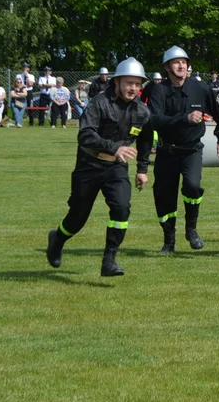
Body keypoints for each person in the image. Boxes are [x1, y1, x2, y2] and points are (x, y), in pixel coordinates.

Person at [45, 58, 153, 276]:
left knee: (122, 208)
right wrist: (114, 148)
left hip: (116, 167)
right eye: (128, 83)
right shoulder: (99, 102)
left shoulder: (142, 111)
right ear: (117, 82)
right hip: (89, 165)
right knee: (77, 217)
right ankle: (58, 238)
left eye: (137, 84)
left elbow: (145, 141)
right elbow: (85, 135)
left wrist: (142, 170)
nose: (132, 88)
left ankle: (109, 260)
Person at [147, 46, 219, 255]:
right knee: (164, 197)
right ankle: (169, 241)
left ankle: (191, 229)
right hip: (166, 152)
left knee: (192, 187)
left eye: (184, 61)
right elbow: (155, 120)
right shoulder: (159, 90)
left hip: (191, 150)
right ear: (167, 67)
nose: (181, 65)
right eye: (176, 62)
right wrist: (184, 118)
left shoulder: (200, 88)